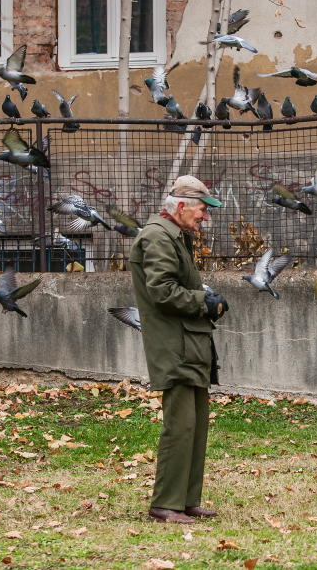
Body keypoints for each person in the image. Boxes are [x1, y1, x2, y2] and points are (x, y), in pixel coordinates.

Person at [129, 175, 230, 524]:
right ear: (182, 206)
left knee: (195, 424)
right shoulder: (158, 236)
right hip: (175, 345)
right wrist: (205, 302)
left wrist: (206, 299)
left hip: (189, 344)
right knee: (180, 426)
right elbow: (162, 291)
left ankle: (186, 500)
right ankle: (165, 504)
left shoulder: (175, 236)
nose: (205, 217)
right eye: (202, 210)